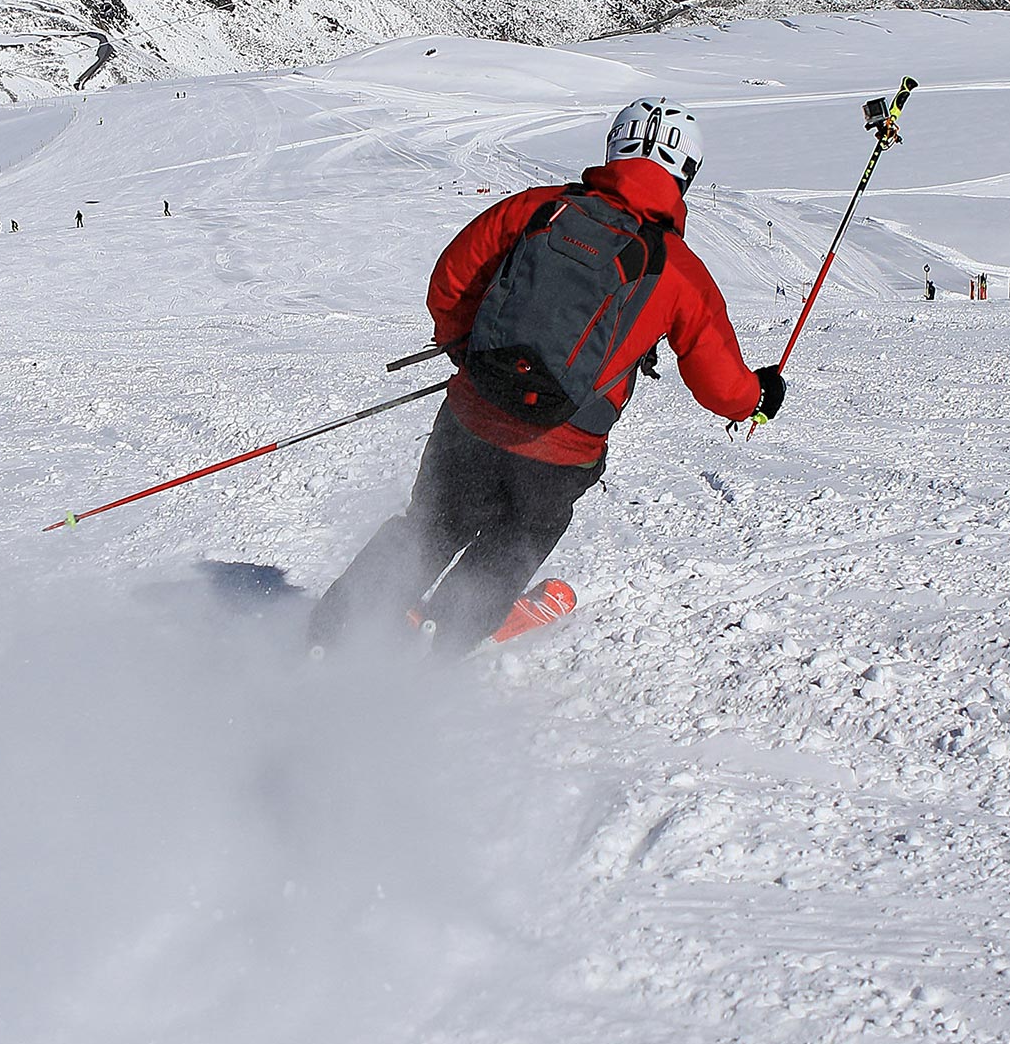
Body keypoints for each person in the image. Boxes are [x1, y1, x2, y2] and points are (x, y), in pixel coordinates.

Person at [310, 98, 783, 657]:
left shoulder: (536, 210)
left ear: (615, 149)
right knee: (514, 540)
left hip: (473, 410)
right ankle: (439, 644)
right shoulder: (678, 270)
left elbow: (450, 282)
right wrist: (760, 395)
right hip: (563, 449)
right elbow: (722, 387)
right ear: (686, 175)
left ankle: (332, 629)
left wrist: (466, 347)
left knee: (432, 524)